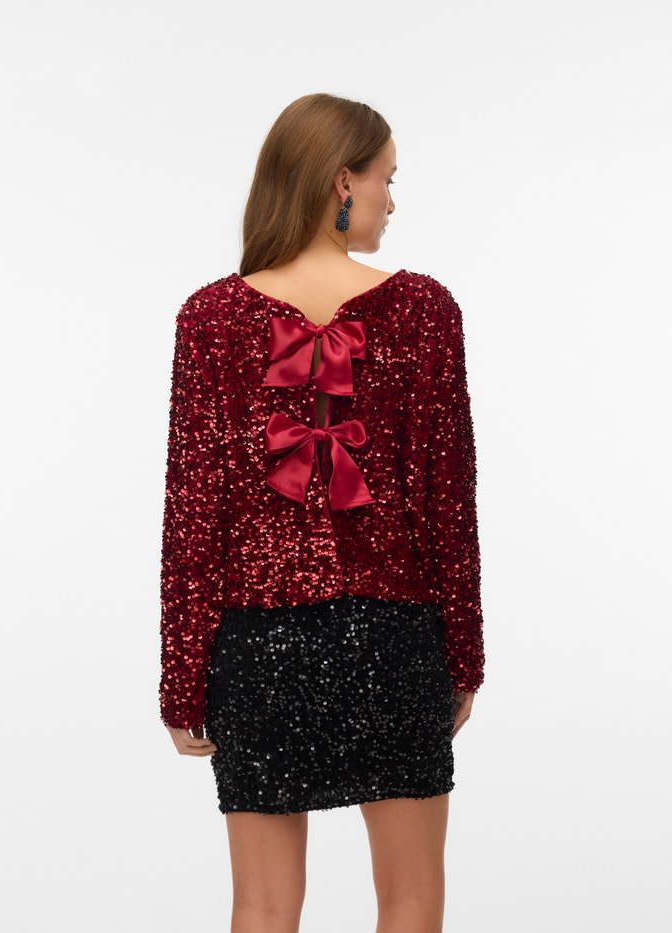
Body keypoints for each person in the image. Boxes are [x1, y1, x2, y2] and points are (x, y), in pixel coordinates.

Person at [160, 92, 485, 933]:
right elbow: (449, 502)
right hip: (395, 640)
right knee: (411, 899)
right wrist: (464, 654)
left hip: (258, 651)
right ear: (344, 181)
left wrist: (183, 675)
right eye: (387, 179)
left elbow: (194, 516)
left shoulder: (210, 318)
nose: (392, 200)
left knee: (262, 905)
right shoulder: (425, 311)